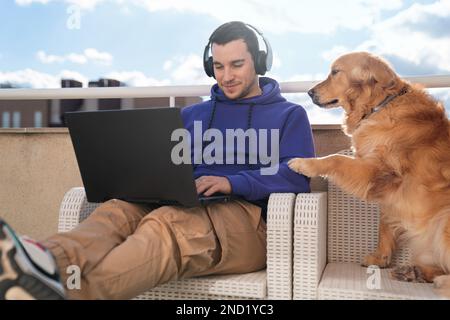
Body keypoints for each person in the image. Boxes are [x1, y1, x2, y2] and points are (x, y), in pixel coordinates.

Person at [0, 21, 315, 300]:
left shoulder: (289, 115)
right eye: (218, 66)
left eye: (236, 65)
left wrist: (233, 181)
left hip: (248, 222)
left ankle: (69, 294)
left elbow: (297, 177)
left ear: (259, 62)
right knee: (115, 213)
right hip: (187, 203)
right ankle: (40, 264)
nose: (227, 76)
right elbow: (167, 164)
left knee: (165, 225)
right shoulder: (191, 115)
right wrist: (146, 180)